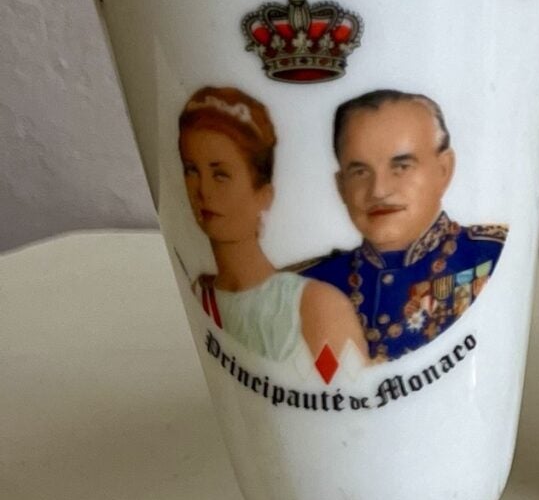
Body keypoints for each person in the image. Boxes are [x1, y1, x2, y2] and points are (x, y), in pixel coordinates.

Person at [302, 89, 507, 361]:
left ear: (443, 170)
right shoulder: (305, 285)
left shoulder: (492, 255)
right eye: (360, 172)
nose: (379, 190)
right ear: (341, 187)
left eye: (401, 167)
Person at [177, 86, 366, 375]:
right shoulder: (200, 295)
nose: (202, 190)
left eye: (220, 174)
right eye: (191, 170)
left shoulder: (313, 305)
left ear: (263, 195)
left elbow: (350, 387)